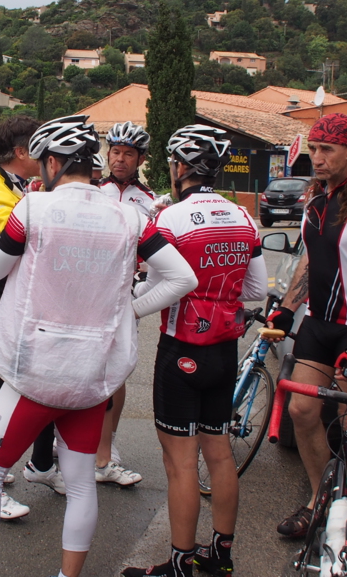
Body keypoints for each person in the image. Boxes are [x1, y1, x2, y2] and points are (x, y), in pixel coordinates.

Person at [0, 115, 198, 577]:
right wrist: (130, 310)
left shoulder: (33, 207)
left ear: (52, 162)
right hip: (92, 375)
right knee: (82, 483)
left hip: (34, 373)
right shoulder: (131, 216)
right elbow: (182, 278)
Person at [123, 125, 267, 577]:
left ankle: (180, 563)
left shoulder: (169, 219)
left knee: (181, 464)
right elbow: (257, 290)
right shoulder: (243, 217)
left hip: (181, 349)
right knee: (219, 454)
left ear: (182, 167)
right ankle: (220, 555)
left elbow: (154, 284)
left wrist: (131, 307)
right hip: (224, 350)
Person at [266, 113, 347, 539]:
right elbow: (311, 258)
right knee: (301, 410)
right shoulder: (317, 198)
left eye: (326, 149)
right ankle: (320, 499)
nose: (317, 157)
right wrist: (287, 308)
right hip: (319, 322)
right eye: (313, 149)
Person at [0, 115, 54, 521]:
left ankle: (43, 465)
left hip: (29, 299)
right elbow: (28, 240)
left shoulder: (25, 186)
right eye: (40, 147)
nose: (47, 155)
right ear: (21, 152)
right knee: (2, 391)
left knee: (45, 383)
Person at [94, 120, 158, 487]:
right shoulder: (92, 191)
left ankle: (108, 448)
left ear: (140, 159)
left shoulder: (150, 201)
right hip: (90, 292)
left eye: (128, 154)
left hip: (125, 294)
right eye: (115, 152)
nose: (120, 159)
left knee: (116, 372)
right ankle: (67, 441)